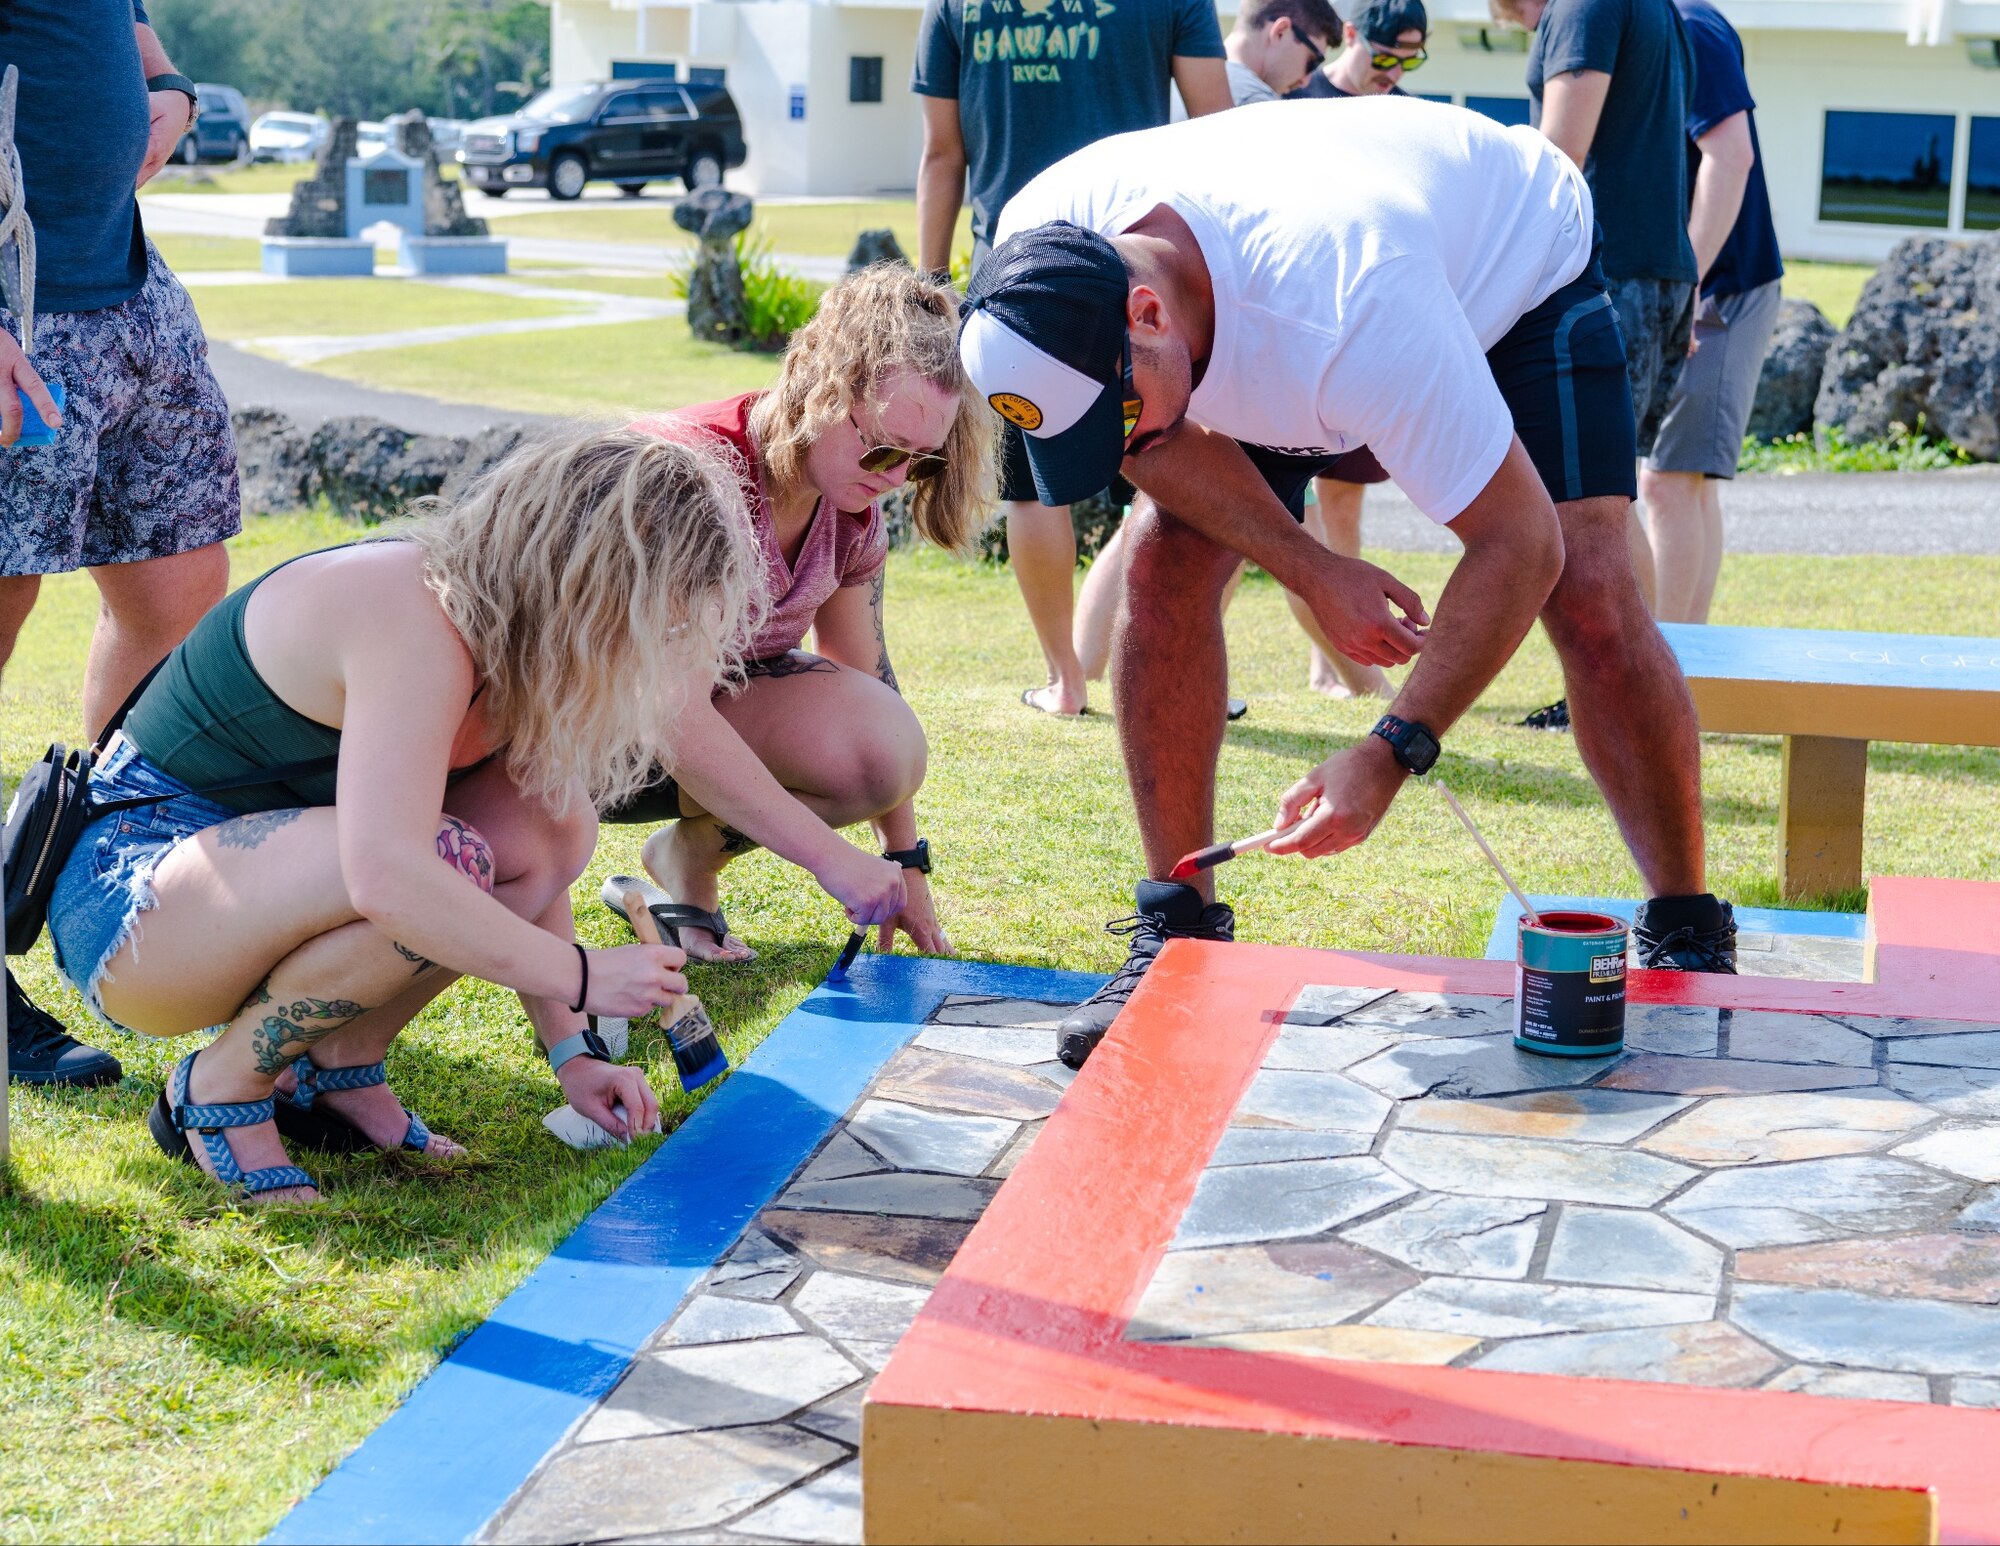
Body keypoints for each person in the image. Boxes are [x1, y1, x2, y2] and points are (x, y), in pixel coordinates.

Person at [959, 100, 1740, 1067]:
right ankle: (1178, 928)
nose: (1118, 451)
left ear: (1147, 313)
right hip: (1281, 311)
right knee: (1163, 566)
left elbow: (1517, 547)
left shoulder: (1347, 300)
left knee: (1587, 592)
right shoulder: (1047, 264)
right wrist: (1312, 565)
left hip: (1513, 270)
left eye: (1114, 418)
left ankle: (1688, 917)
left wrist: (1389, 751)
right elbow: (1153, 444)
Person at [41, 430, 904, 1203]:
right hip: (131, 899)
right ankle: (219, 1089)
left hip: (244, 889)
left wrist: (575, 1054)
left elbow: (533, 865)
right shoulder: (411, 614)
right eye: (662, 623)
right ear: (596, 586)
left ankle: (339, 1069)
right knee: (439, 858)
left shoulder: (515, 628)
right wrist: (579, 976)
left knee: (549, 829)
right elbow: (389, 871)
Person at [606, 266, 996, 962]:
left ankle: (684, 864)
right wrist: (832, 861)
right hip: (585, 731)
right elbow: (668, 705)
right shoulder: (696, 477)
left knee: (883, 747)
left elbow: (866, 676)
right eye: (882, 446)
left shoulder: (851, 505)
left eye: (922, 462)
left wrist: (907, 862)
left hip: (689, 731)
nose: (895, 477)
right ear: (819, 384)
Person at [1, 1, 237, 1087]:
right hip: (17, 306)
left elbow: (127, 36)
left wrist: (173, 89)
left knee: (177, 592)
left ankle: (102, 868)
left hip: (127, 290)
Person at [913, 0, 1231, 716]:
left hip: (1017, 266)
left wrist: (931, 293)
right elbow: (1218, 128)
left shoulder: (956, 7)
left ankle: (1067, 679)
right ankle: (1179, 660)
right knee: (1179, 461)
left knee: (1030, 484)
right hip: (1139, 256)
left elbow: (942, 153)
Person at [1498, 0, 1696, 730]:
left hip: (1609, 271)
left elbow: (1559, 155)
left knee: (1590, 504)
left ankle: (1628, 690)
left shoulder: (1584, 6)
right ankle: (1634, 688)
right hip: (1659, 269)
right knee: (1605, 498)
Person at [1287, 0, 1436, 700]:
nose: (1396, 72)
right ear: (1350, 35)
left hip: (1367, 332)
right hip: (1296, 332)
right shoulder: (1299, 104)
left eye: (1413, 59)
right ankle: (1327, 656)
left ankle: (1341, 655)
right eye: (1387, 56)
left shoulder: (1404, 117)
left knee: (1343, 499)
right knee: (1277, 511)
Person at [1640, 0, 1783, 624]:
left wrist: (1687, 279)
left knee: (1668, 482)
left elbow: (1732, 156)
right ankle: (1686, 668)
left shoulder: (1692, 26)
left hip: (1720, 289)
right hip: (1703, 286)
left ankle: (1663, 673)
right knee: (1681, 483)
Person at [1293, 0, 1429, 97]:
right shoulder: (1294, 98)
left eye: (1408, 63)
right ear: (1350, 34)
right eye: (1384, 60)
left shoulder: (1407, 115)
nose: (1394, 75)